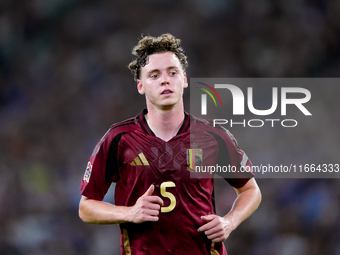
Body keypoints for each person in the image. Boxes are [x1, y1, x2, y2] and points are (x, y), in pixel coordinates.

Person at [79, 33, 261, 255]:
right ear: (140, 85)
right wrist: (130, 213)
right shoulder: (119, 138)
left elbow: (250, 190)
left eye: (172, 73)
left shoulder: (213, 136)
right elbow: (86, 207)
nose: (165, 80)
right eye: (154, 75)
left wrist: (230, 222)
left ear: (184, 79)